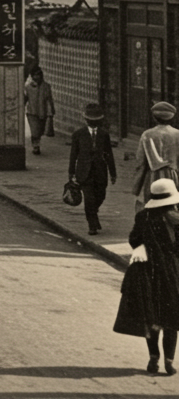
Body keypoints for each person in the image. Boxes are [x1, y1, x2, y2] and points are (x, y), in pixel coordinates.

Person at [114, 178, 179, 375]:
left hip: (148, 274)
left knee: (152, 317)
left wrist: (145, 247)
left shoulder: (143, 217)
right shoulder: (176, 219)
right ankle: (169, 361)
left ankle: (153, 358)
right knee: (172, 319)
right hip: (172, 274)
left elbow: (134, 239)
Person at [69, 103, 116, 235]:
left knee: (101, 196)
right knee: (89, 199)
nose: (93, 123)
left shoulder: (104, 134)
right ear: (86, 119)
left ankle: (93, 214)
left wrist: (113, 173)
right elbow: (73, 155)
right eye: (91, 120)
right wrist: (71, 172)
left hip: (100, 171)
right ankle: (92, 225)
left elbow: (109, 154)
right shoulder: (78, 134)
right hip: (84, 172)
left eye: (96, 121)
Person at [136, 102, 179, 214]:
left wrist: (138, 182)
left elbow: (140, 160)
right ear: (172, 118)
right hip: (173, 175)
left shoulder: (147, 134)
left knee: (152, 203)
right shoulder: (177, 134)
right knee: (173, 204)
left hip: (153, 176)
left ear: (155, 118)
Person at [24, 67, 56, 156]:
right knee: (35, 130)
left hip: (43, 112)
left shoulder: (46, 86)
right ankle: (35, 146)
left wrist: (50, 112)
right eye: (35, 75)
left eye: (38, 75)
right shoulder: (28, 87)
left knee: (40, 130)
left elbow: (49, 100)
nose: (36, 77)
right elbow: (25, 99)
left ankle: (37, 143)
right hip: (31, 112)